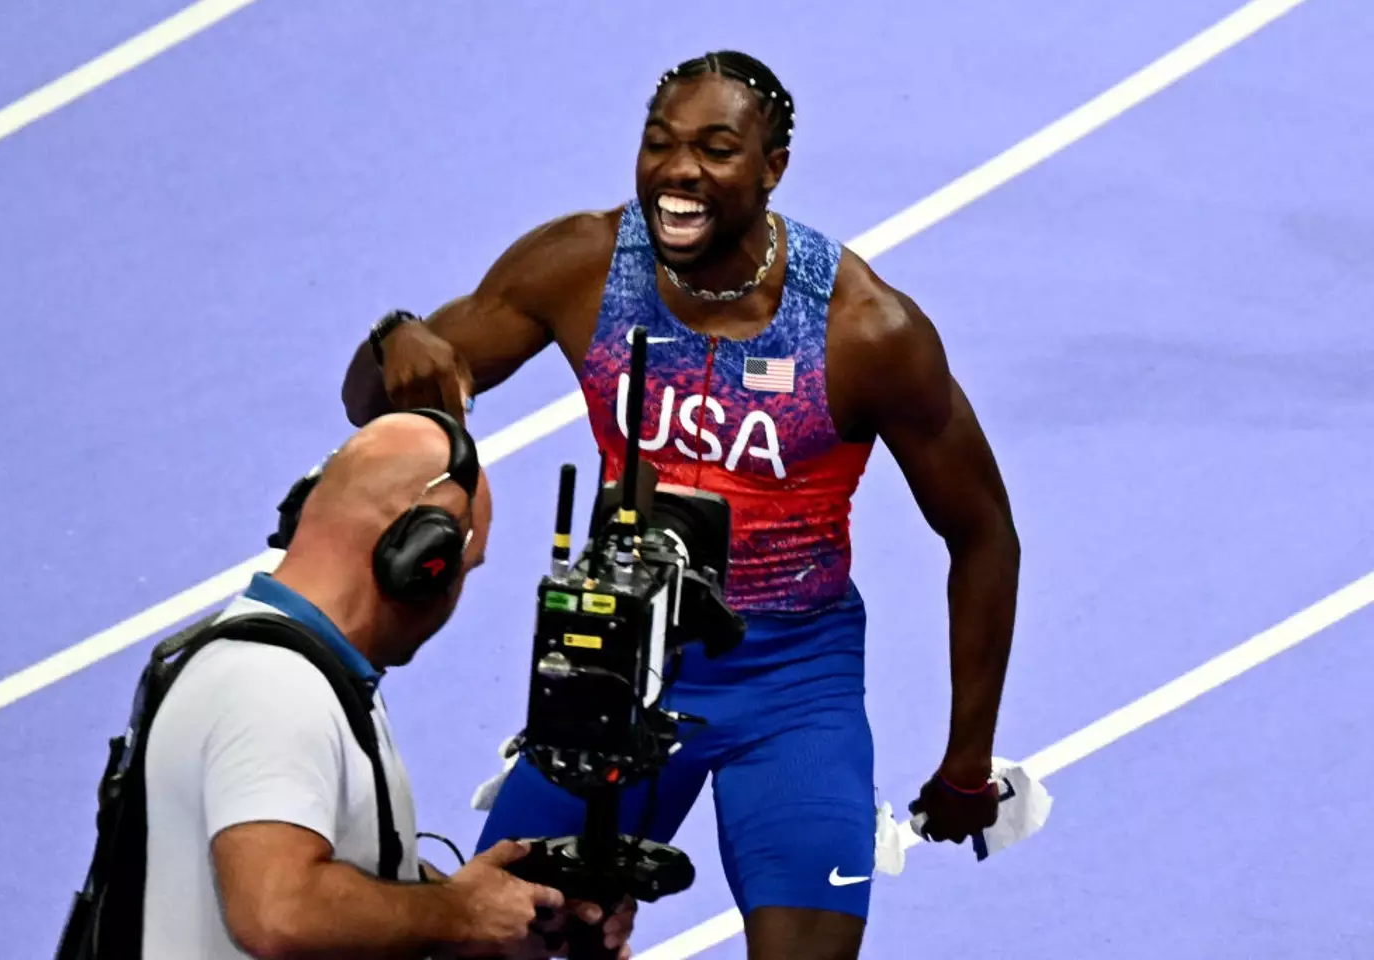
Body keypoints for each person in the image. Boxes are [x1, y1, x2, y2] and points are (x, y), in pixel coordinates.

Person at [341, 50, 1021, 960]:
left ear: (772, 168)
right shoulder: (579, 268)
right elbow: (377, 395)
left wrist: (968, 759)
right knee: (489, 939)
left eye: (715, 148)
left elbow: (982, 535)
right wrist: (393, 339)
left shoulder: (863, 331)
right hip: (612, 669)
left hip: (792, 687)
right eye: (659, 143)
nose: (678, 171)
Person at [140, 410, 636, 959]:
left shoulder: (306, 669)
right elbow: (279, 911)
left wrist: (492, 917)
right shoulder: (274, 688)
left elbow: (344, 875)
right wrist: (460, 912)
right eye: (461, 570)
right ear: (420, 560)